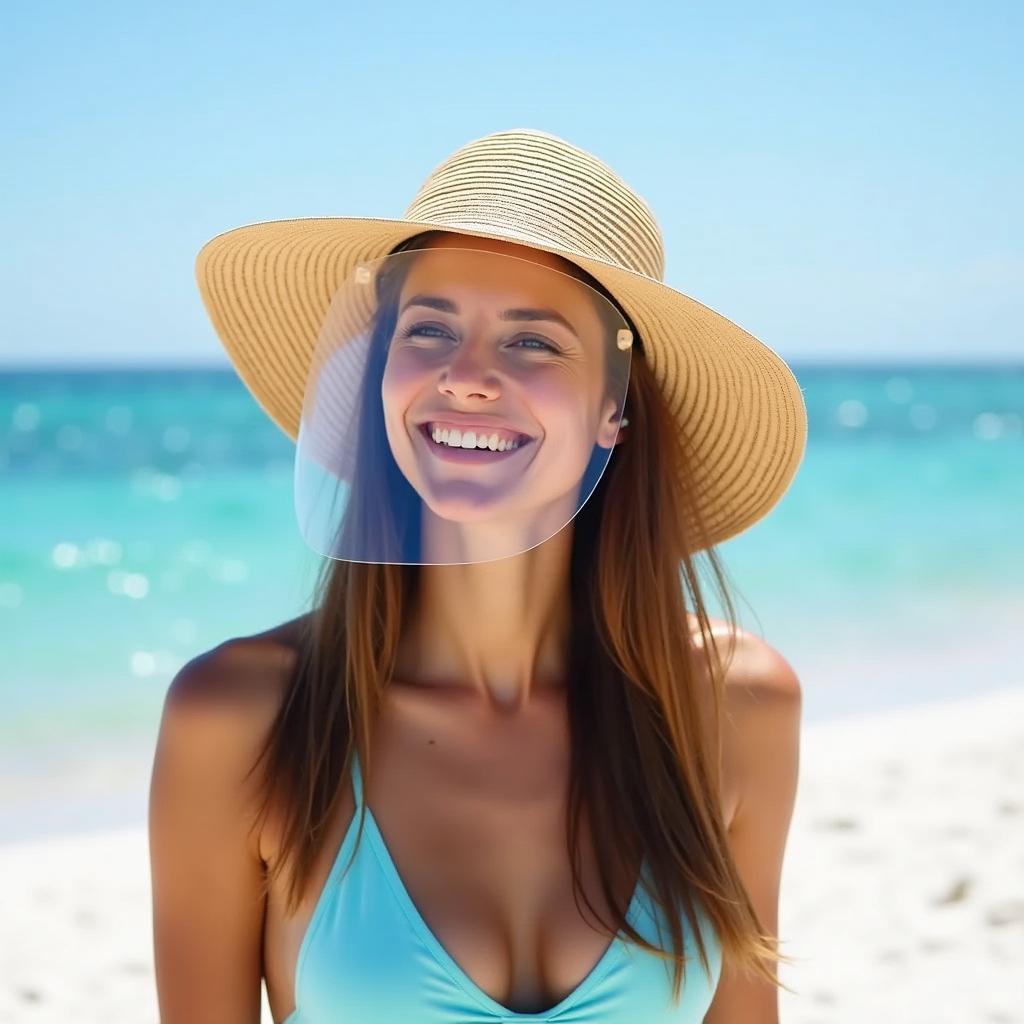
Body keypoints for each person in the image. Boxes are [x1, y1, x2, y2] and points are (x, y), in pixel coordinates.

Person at [150, 128, 806, 1023]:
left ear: (615, 409)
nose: (465, 377)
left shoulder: (732, 707)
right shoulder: (240, 718)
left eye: (532, 342)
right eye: (430, 329)